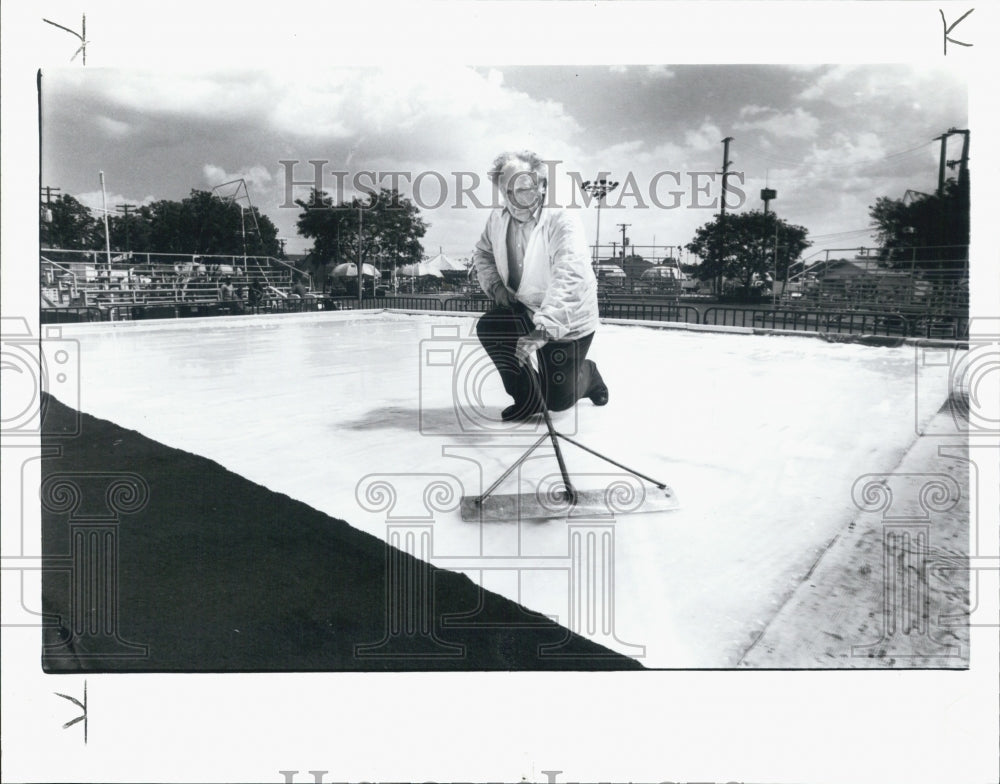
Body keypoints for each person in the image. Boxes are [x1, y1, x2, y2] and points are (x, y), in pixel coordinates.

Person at [472, 150, 608, 422]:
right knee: (490, 326)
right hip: (523, 307)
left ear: (542, 186)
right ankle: (527, 399)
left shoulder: (563, 221)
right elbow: (482, 253)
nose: (513, 199)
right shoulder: (497, 220)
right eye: (506, 191)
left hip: (567, 318)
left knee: (558, 400)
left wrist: (543, 329)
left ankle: (589, 375)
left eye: (522, 189)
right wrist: (497, 287)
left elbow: (570, 275)